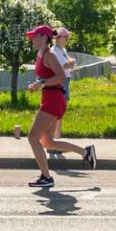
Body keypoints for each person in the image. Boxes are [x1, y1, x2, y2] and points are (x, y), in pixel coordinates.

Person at [24, 24, 93, 188]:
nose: (32, 39)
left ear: (43, 38)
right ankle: (86, 153)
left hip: (53, 100)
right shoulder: (41, 54)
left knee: (33, 137)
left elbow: (61, 76)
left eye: (35, 36)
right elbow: (48, 77)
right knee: (47, 142)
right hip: (50, 97)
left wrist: (40, 84)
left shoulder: (50, 55)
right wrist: (39, 84)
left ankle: (46, 177)